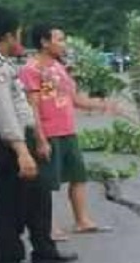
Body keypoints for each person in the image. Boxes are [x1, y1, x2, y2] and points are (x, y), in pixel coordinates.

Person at [0, 7, 77, 263]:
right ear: (8, 35)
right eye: (18, 32)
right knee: (9, 201)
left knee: (38, 195)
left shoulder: (2, 61)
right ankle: (9, 259)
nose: (20, 37)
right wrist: (21, 151)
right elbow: (4, 111)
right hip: (6, 140)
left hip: (22, 135)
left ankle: (44, 248)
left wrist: (35, 140)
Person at [19, 23, 120, 239]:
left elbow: (75, 99)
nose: (64, 44)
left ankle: (82, 220)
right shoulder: (31, 69)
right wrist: (40, 138)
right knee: (46, 183)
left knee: (78, 175)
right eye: (60, 39)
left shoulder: (59, 67)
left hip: (67, 131)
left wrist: (102, 104)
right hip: (48, 132)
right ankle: (48, 227)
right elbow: (32, 105)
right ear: (44, 42)